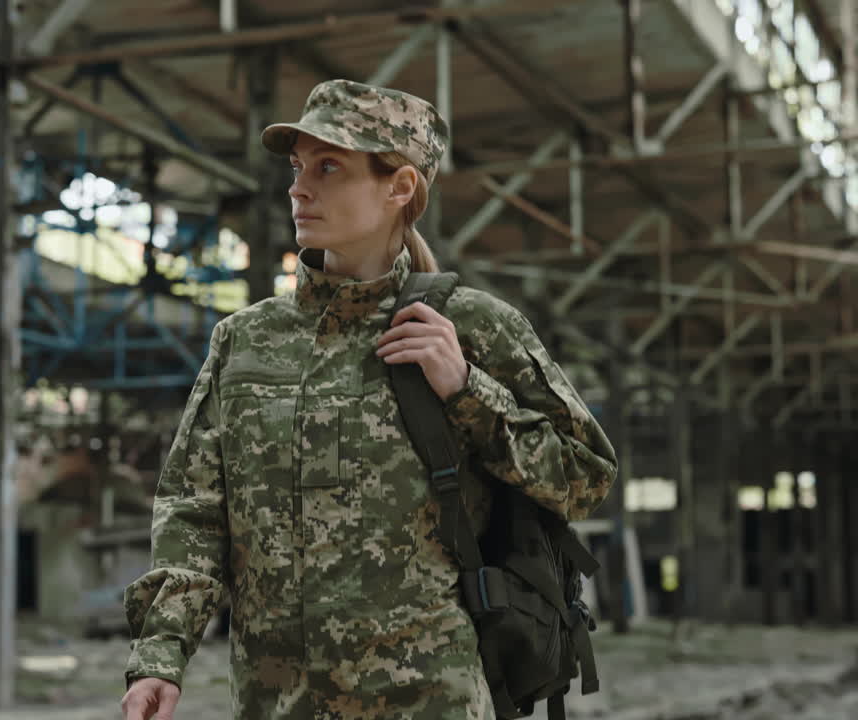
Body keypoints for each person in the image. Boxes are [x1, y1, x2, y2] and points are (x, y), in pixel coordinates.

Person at [120, 79, 618, 720]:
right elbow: (194, 513)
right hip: (276, 704)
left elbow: (585, 478)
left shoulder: (472, 326)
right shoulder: (243, 342)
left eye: (330, 167)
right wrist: (159, 659)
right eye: (299, 167)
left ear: (400, 187)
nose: (300, 187)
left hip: (431, 698)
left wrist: (468, 389)